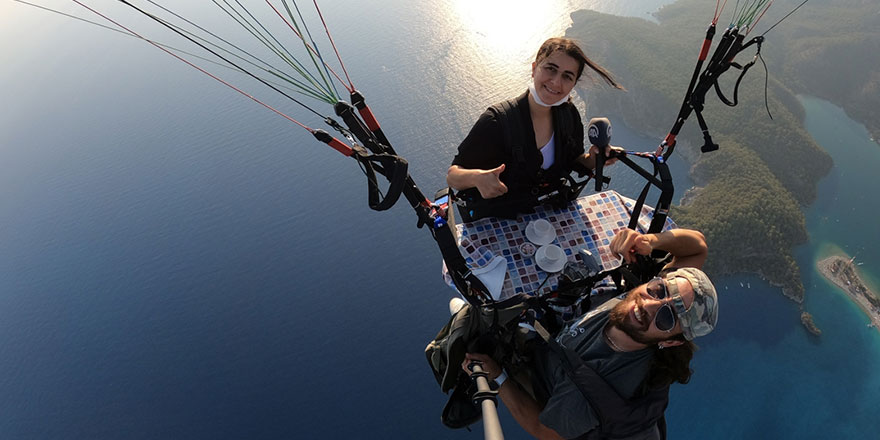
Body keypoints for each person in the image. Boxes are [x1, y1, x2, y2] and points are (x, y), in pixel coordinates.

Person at [462, 228, 719, 439]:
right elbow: (699, 246)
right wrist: (650, 241)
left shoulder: (591, 390)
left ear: (671, 340)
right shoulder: (652, 306)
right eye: (658, 289)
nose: (649, 305)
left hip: (563, 387)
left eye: (666, 318)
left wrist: (500, 376)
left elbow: (544, 431)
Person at [446, 37, 624, 220]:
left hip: (549, 220)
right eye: (551, 69)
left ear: (573, 85)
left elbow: (573, 161)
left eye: (567, 76)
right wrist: (477, 177)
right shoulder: (497, 122)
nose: (556, 82)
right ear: (534, 69)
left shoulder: (568, 115)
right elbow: (453, 176)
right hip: (502, 223)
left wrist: (594, 159)